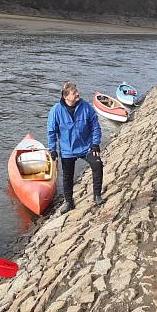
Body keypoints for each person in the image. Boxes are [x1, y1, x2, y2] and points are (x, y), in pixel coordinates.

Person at [48, 81, 104, 213]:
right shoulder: (56, 110)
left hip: (86, 147)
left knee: (97, 164)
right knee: (67, 176)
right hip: (68, 150)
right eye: (74, 93)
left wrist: (95, 144)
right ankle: (69, 202)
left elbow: (95, 126)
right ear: (66, 96)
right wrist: (52, 149)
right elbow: (51, 132)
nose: (78, 94)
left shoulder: (86, 107)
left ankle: (97, 195)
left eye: (77, 91)